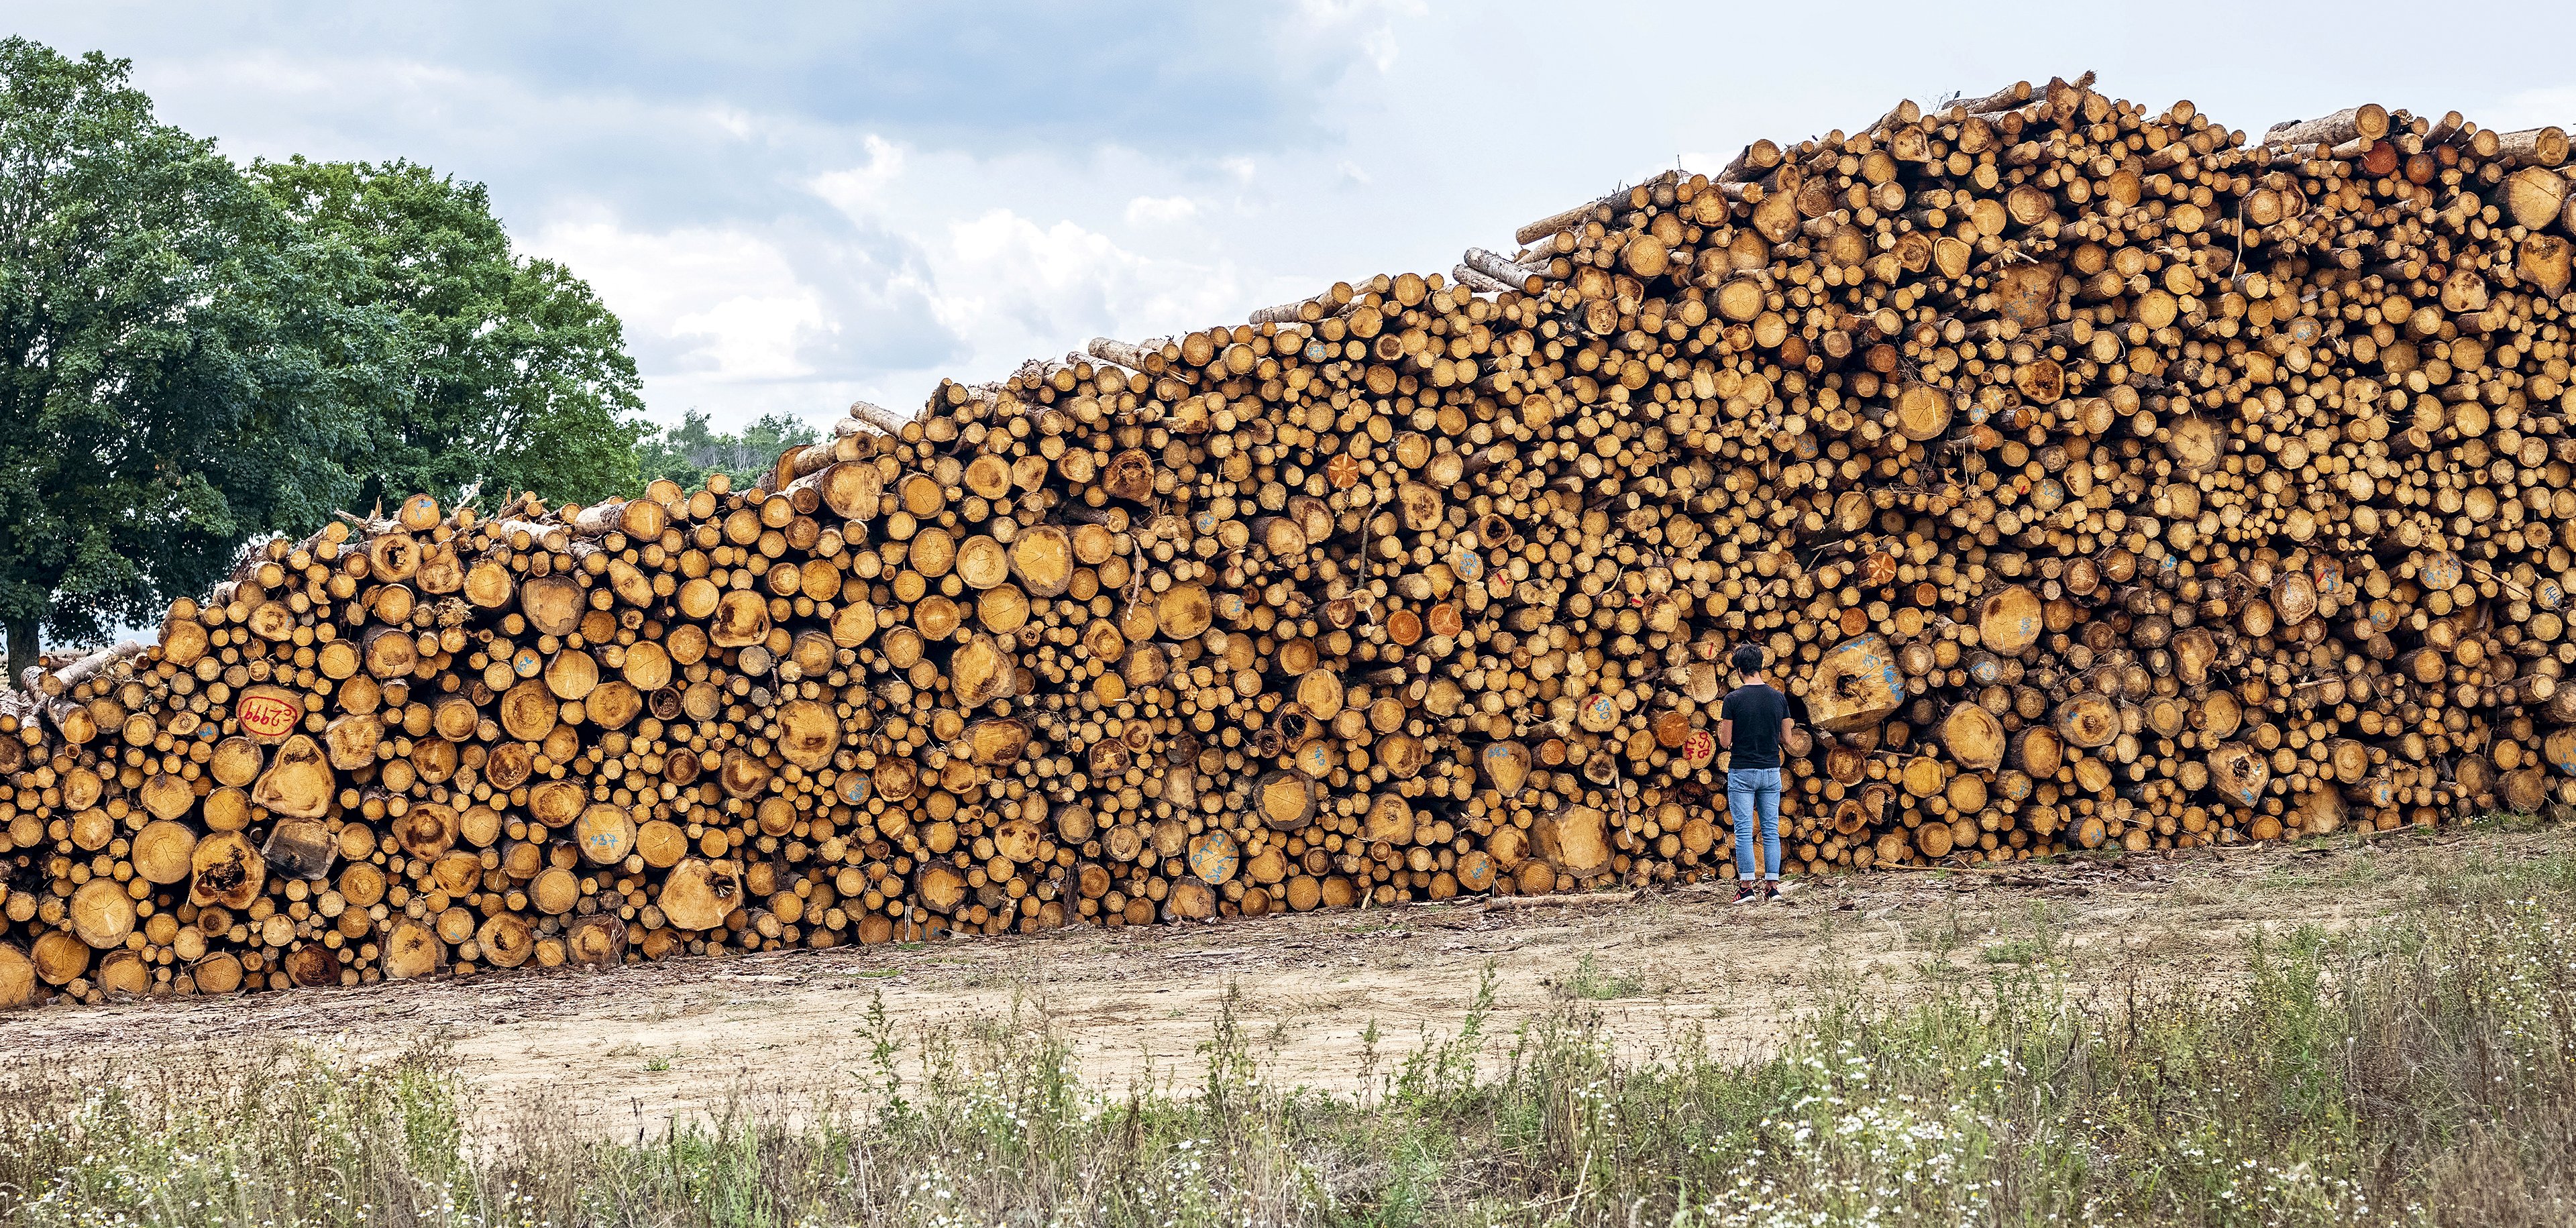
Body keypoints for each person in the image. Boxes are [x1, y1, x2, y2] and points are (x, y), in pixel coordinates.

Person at [1718, 644, 1793, 903]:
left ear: (1740, 669)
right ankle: (1772, 887)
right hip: (1771, 770)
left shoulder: (1733, 699)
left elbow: (1725, 741)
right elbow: (1787, 738)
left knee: (1743, 830)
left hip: (1742, 770)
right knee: (1771, 829)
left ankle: (1746, 888)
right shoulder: (1778, 698)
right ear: (1760, 666)